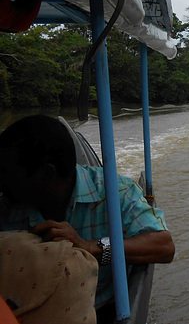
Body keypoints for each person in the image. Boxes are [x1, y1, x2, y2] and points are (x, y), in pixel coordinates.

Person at [0, 115, 174, 321]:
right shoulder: (6, 206)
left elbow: (164, 246)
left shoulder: (115, 192)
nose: (1, 182)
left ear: (46, 174)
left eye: (6, 172)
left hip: (104, 308)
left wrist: (90, 247)